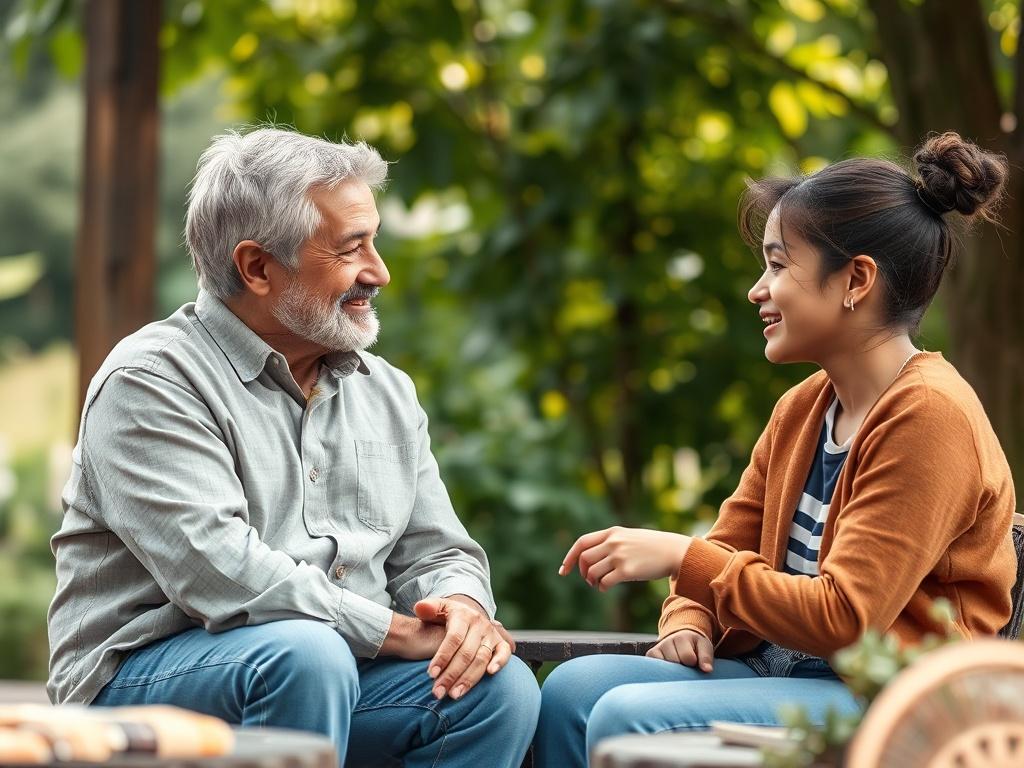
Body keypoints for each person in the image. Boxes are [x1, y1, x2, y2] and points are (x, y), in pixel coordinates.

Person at [47, 127, 540, 767]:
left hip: (332, 669)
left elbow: (437, 549)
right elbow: (220, 571)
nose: (379, 272)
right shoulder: (149, 381)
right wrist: (390, 630)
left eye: (375, 241)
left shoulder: (387, 392)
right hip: (139, 682)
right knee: (304, 654)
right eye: (350, 248)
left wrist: (464, 612)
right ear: (256, 267)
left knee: (494, 689)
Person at [533, 132, 1018, 767]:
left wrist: (681, 555)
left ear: (857, 279)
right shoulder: (805, 407)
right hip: (788, 672)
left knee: (630, 717)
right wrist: (687, 619)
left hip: (892, 695)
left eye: (779, 265)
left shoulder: (930, 416)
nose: (757, 290)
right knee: (571, 692)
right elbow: (728, 545)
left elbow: (847, 617)